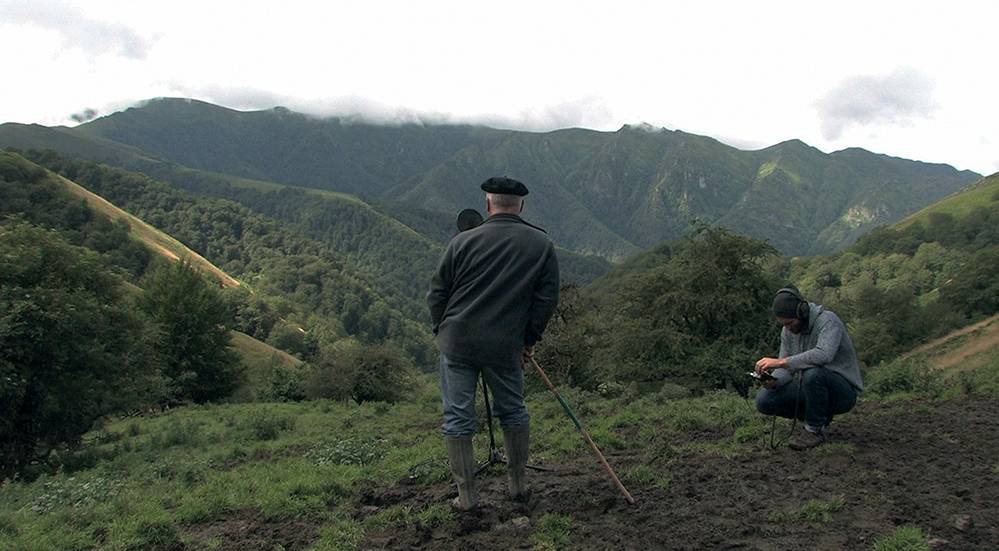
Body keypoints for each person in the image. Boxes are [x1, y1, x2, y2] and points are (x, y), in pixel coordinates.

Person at [428, 176, 560, 510]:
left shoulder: (462, 242)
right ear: (521, 206)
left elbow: (438, 293)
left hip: (457, 342)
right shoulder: (540, 244)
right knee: (513, 411)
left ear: (488, 205)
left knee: (457, 417)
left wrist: (440, 329)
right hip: (505, 345)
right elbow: (546, 300)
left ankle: (467, 498)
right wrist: (528, 340)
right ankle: (517, 488)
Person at [754, 286, 864, 450]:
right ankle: (816, 417)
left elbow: (823, 355)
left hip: (843, 391)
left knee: (813, 373)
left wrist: (781, 362)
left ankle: (814, 430)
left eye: (790, 323)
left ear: (802, 312)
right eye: (784, 324)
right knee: (765, 400)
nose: (788, 328)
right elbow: (786, 368)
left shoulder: (828, 321)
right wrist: (774, 381)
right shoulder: (787, 332)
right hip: (812, 387)